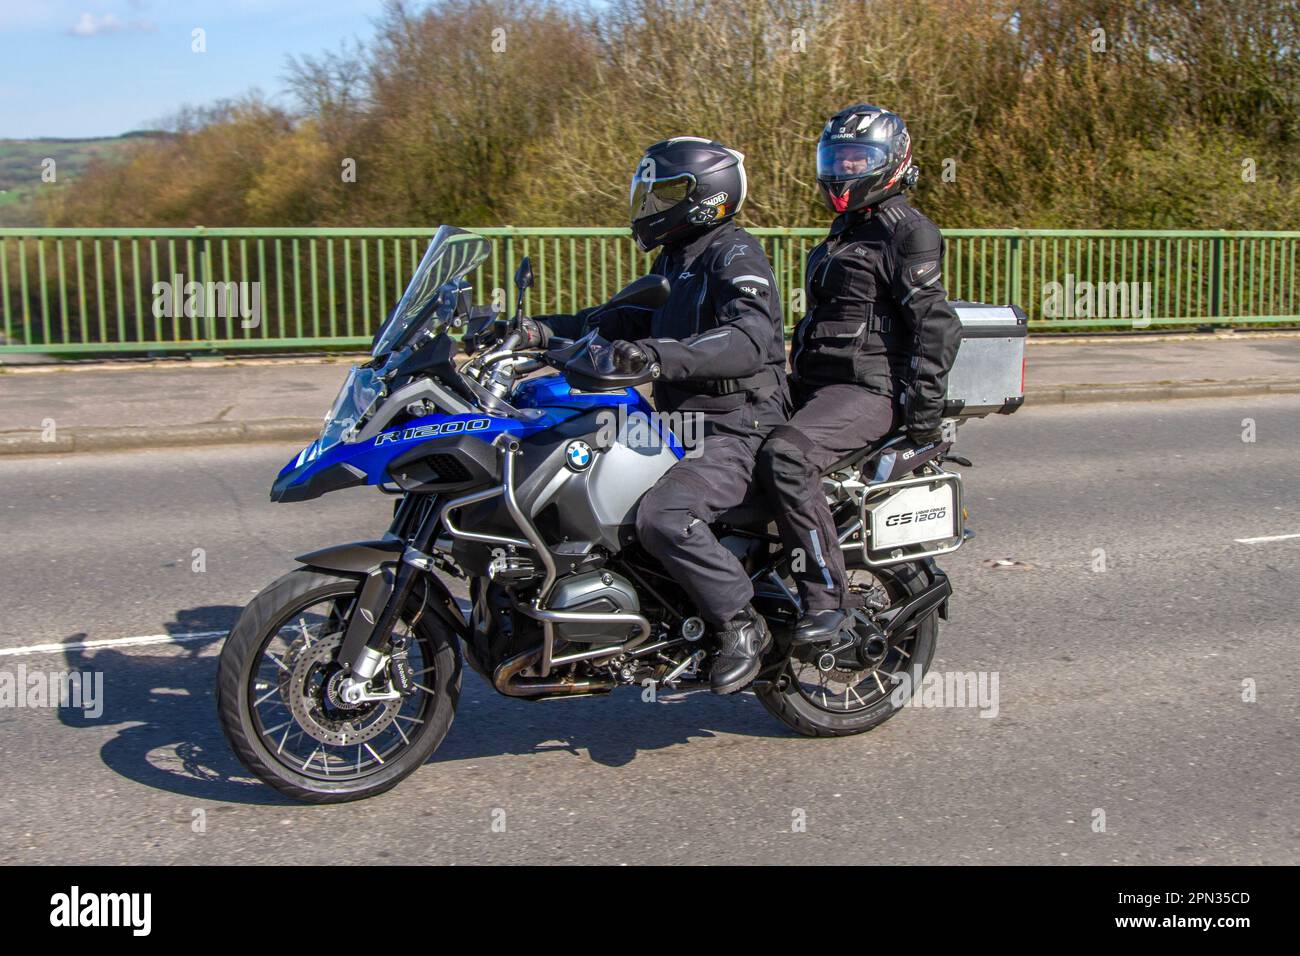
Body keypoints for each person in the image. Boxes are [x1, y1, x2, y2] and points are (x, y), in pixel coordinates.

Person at [522, 137, 790, 694]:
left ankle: (742, 623)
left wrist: (658, 356)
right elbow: (608, 320)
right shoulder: (677, 260)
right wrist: (534, 333)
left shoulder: (734, 255)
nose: (650, 205)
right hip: (679, 419)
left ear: (704, 196)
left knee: (664, 517)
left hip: (739, 422)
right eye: (648, 193)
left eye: (664, 193)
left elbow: (751, 337)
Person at [755, 104, 961, 645]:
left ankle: (827, 598)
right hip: (816, 384)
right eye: (838, 160)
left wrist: (923, 416)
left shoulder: (908, 231)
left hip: (868, 390)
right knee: (728, 434)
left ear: (890, 163)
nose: (844, 172)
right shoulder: (846, 228)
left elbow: (936, 327)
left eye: (856, 160)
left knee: (787, 455)